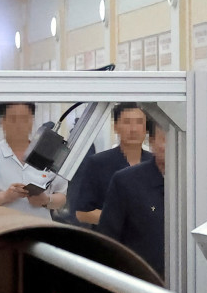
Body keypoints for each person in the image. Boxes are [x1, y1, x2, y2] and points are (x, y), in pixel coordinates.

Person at [0, 102, 67, 219]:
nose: (19, 125)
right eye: (13, 119)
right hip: (2, 233)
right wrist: (5, 196)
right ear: (2, 122)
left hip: (40, 232)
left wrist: (46, 200)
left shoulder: (50, 155)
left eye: (24, 119)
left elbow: (61, 197)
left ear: (31, 122)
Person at [99, 118, 166, 278]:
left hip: (190, 283)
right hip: (139, 281)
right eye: (166, 140)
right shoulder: (126, 181)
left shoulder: (197, 183)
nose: (175, 148)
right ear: (152, 142)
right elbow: (108, 239)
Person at [71, 103, 152, 226]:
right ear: (116, 127)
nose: (133, 129)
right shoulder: (98, 163)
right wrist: (122, 218)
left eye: (139, 122)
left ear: (146, 128)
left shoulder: (156, 163)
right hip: (110, 240)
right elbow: (82, 213)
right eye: (127, 122)